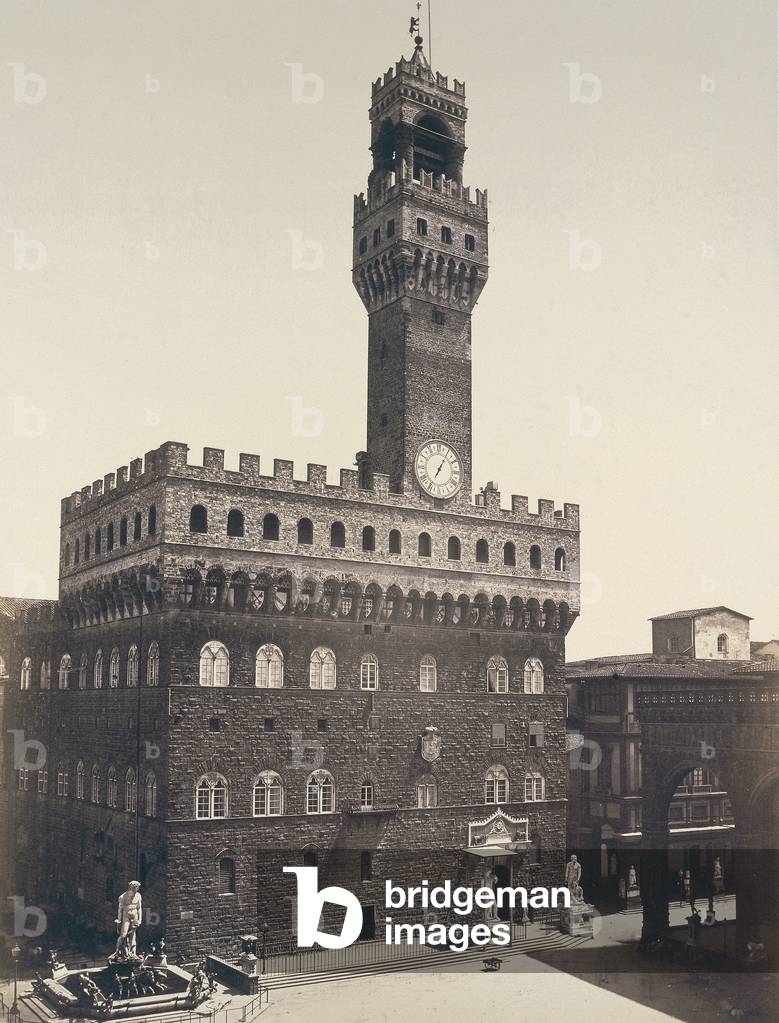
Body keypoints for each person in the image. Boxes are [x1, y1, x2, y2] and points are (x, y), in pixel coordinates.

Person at [113, 881, 143, 960]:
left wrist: (140, 919)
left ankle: (132, 952)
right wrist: (119, 920)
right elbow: (120, 910)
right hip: (126, 916)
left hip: (134, 915)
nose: (136, 890)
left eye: (137, 888)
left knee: (132, 935)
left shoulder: (138, 895)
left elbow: (139, 908)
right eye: (135, 888)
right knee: (123, 935)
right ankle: (117, 951)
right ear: (131, 887)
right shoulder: (122, 897)